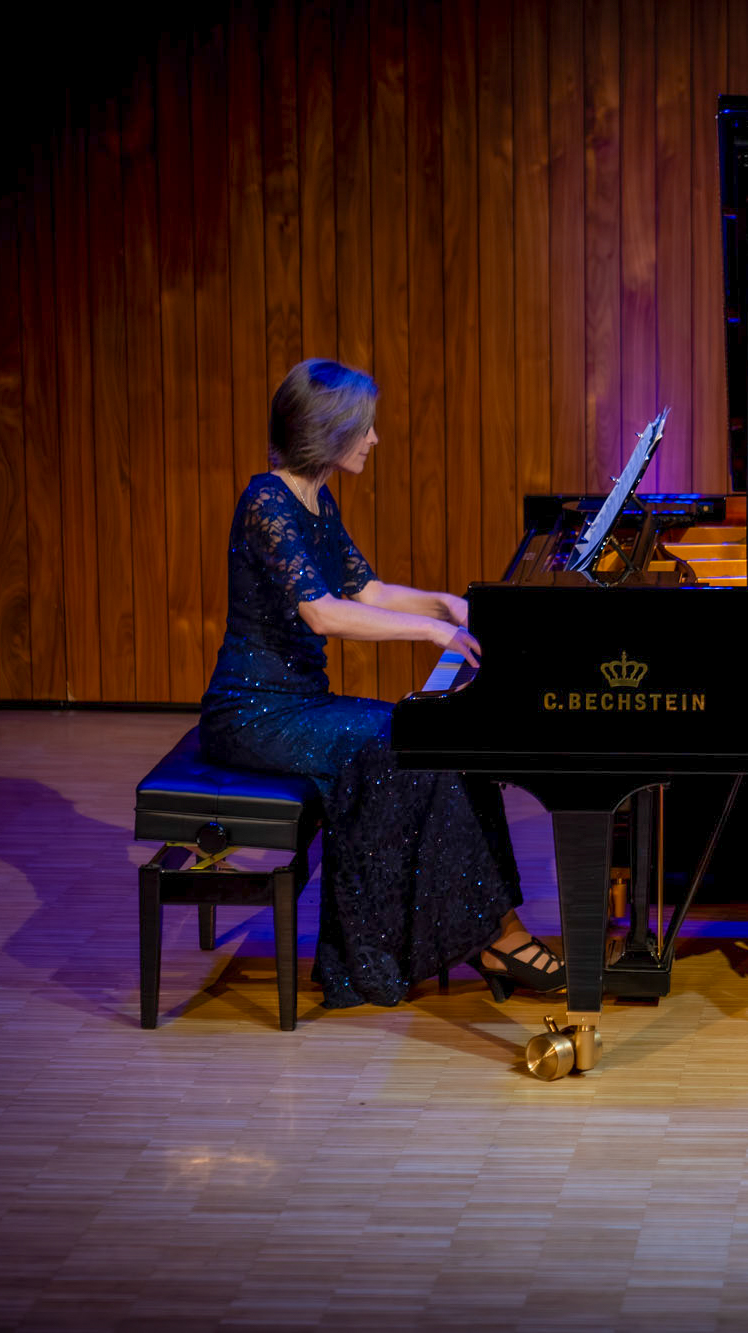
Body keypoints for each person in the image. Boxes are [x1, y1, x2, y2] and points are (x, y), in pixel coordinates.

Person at [201, 358, 563, 1009]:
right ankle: (489, 938)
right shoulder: (265, 502)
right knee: (406, 746)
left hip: (300, 704)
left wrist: (447, 604)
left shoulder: (316, 498)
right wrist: (429, 632)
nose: (374, 438)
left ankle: (495, 927)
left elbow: (366, 589)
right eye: (364, 427)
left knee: (443, 740)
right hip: (253, 714)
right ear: (329, 430)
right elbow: (323, 612)